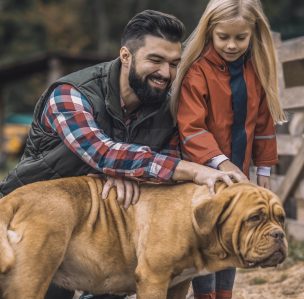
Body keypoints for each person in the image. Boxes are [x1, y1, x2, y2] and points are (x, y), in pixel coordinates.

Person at [0, 10, 242, 299]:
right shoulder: (71, 94)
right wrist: (195, 170)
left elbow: (165, 182)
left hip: (105, 235)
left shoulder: (166, 110)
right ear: (126, 56)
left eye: (174, 63)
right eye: (155, 60)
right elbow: (103, 152)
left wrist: (136, 175)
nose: (166, 73)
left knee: (116, 284)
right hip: (33, 218)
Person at [170, 0, 287, 298]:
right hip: (203, 174)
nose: (232, 45)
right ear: (210, 32)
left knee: (234, 232)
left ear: (253, 34)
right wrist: (221, 164)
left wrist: (263, 170)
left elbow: (263, 126)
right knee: (208, 236)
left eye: (240, 37)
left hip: (240, 173)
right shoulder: (197, 73)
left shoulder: (256, 72)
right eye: (224, 37)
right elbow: (191, 128)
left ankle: (225, 295)